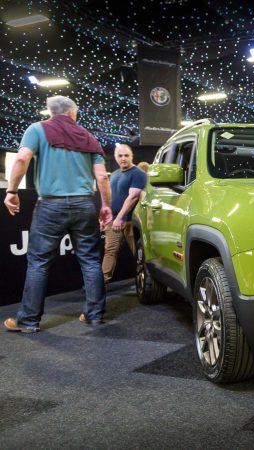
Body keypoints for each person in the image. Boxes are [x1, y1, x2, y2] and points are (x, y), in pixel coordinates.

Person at [3, 96, 112, 333]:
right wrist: (105, 206)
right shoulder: (88, 136)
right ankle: (94, 315)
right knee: (91, 261)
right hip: (84, 204)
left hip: (50, 206)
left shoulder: (37, 129)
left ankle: (28, 321)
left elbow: (22, 158)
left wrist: (12, 191)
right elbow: (102, 176)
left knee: (39, 263)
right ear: (73, 114)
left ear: (50, 112)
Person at [102, 144, 147, 285]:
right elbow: (109, 197)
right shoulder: (114, 175)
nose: (123, 158)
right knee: (110, 251)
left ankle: (147, 284)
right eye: (120, 156)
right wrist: (105, 218)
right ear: (115, 157)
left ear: (131, 156)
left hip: (131, 222)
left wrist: (119, 218)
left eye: (126, 155)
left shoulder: (138, 173)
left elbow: (132, 197)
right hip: (113, 221)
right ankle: (100, 284)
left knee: (140, 254)